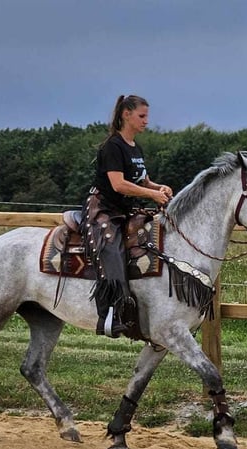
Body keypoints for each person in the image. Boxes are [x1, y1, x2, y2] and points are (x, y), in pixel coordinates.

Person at [81, 94, 173, 338]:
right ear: (126, 115)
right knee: (112, 252)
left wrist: (158, 188)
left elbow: (142, 180)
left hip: (124, 211)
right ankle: (109, 314)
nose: (146, 121)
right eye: (142, 116)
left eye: (146, 117)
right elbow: (119, 184)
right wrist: (152, 196)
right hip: (103, 210)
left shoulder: (135, 148)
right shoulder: (113, 146)